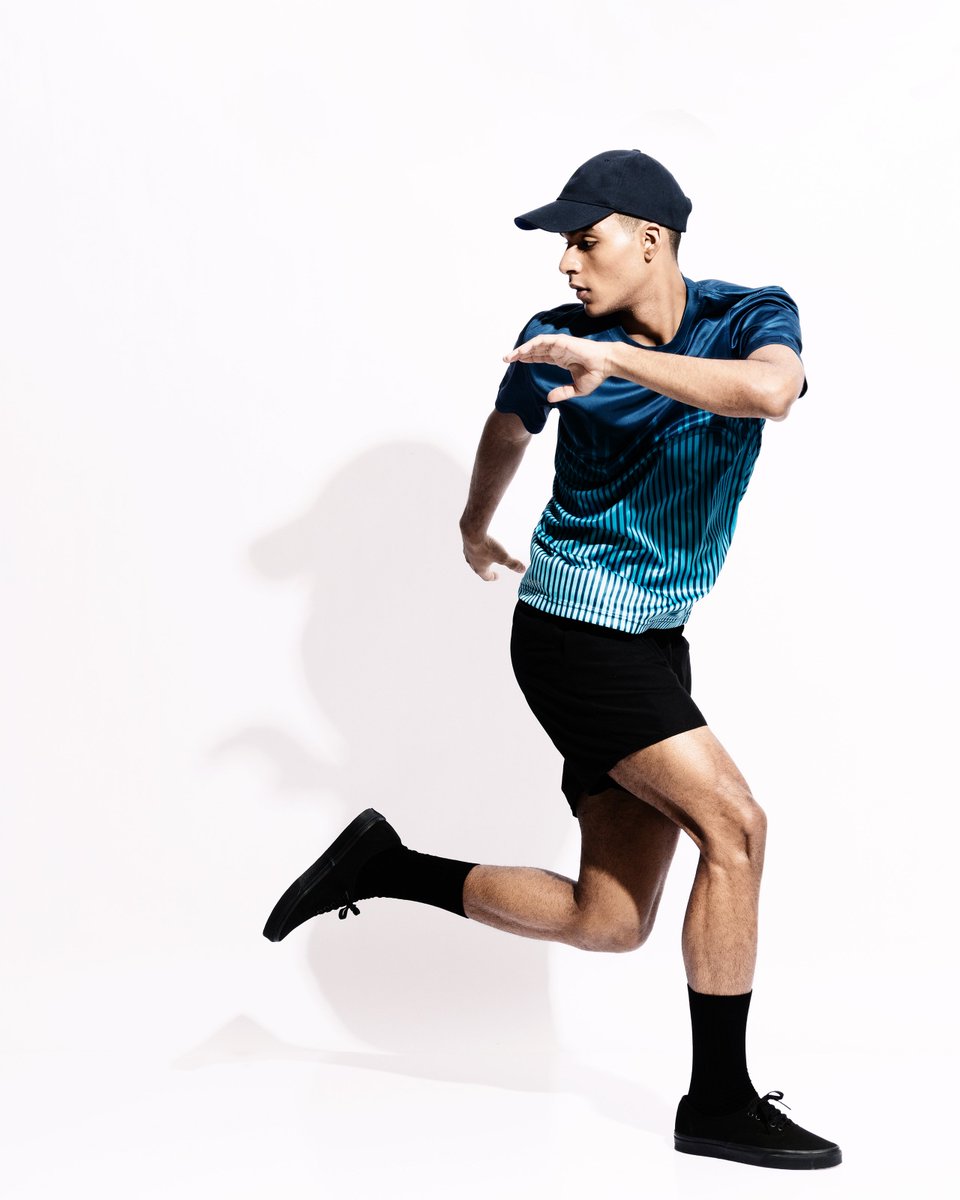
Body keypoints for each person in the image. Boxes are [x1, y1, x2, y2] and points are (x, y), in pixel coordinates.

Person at [263, 149, 841, 1171]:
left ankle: (383, 865)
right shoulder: (554, 337)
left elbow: (769, 393)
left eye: (585, 239)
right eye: (562, 246)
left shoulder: (750, 315)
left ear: (651, 240)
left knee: (608, 920)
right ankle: (719, 1101)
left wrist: (618, 364)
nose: (567, 264)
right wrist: (474, 522)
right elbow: (508, 429)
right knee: (737, 829)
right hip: (576, 634)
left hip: (655, 639)